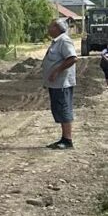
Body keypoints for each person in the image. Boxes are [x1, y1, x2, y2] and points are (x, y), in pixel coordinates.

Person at [41, 17, 77, 149]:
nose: (49, 29)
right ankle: (64, 138)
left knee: (64, 109)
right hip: (56, 84)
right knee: (59, 109)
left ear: (57, 28)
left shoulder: (64, 40)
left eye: (51, 26)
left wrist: (57, 71)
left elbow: (72, 58)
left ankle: (68, 140)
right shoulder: (57, 41)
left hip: (62, 83)